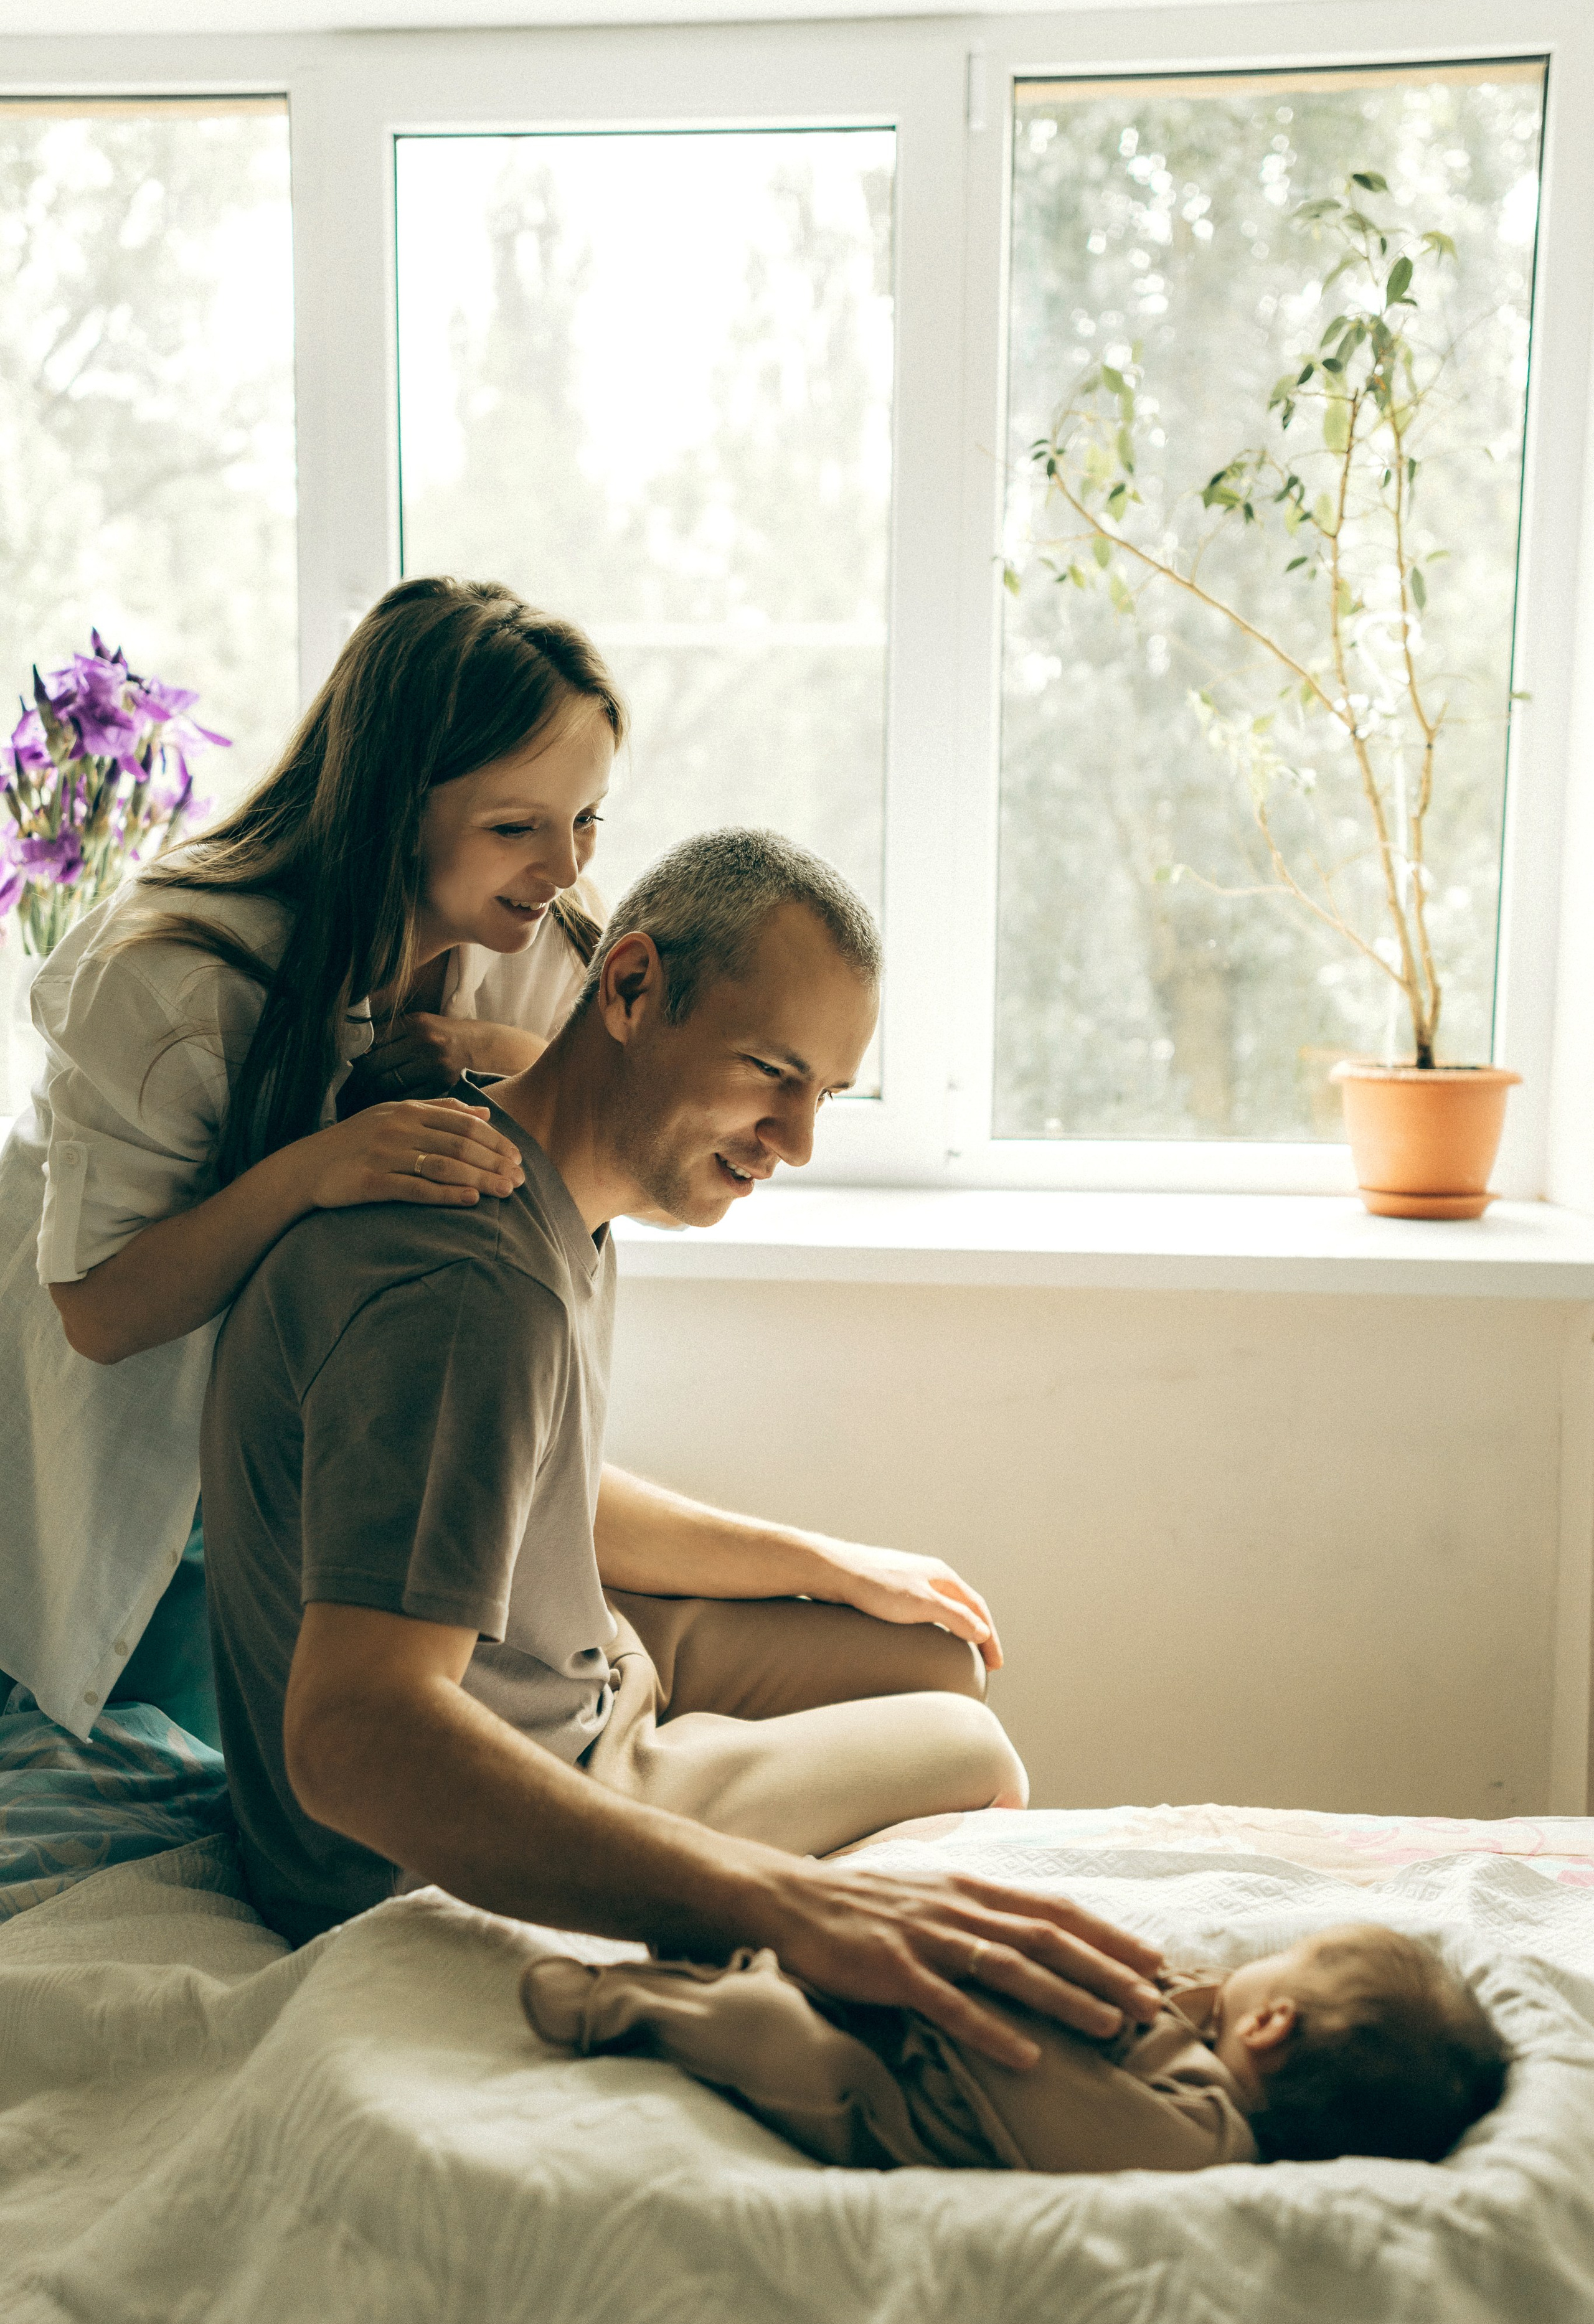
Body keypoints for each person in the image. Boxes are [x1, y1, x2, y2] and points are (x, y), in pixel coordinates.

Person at [199, 826, 1169, 2059]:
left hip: (585, 1673)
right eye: (770, 1070)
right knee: (969, 1747)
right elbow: (352, 1738)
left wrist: (821, 1559)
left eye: (824, 1091)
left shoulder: (533, 1173)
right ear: (629, 987)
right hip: (443, 1826)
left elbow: (511, 1482)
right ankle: (768, 1972)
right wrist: (786, 1902)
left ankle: (752, 1881)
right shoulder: (466, 1282)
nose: (797, 1139)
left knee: (930, 1652)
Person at [0, 576, 623, 1747]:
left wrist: (490, 1048)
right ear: (394, 808)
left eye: (587, 820)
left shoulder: (545, 950)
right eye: (515, 826)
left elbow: (610, 1135)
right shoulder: (176, 976)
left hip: (306, 1457)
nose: (561, 866)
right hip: (131, 1437)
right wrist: (314, 1168)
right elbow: (97, 1309)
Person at [522, 1922, 1510, 2173]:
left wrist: (980, 1986)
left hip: (891, 2101)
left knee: (772, 2036)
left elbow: (1038, 2078)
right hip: (921, 2031)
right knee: (788, 1977)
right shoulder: (1197, 2051)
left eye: (1281, 1960)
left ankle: (619, 2003)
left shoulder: (1200, 2140)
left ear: (1272, 2023)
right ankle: (728, 1951)